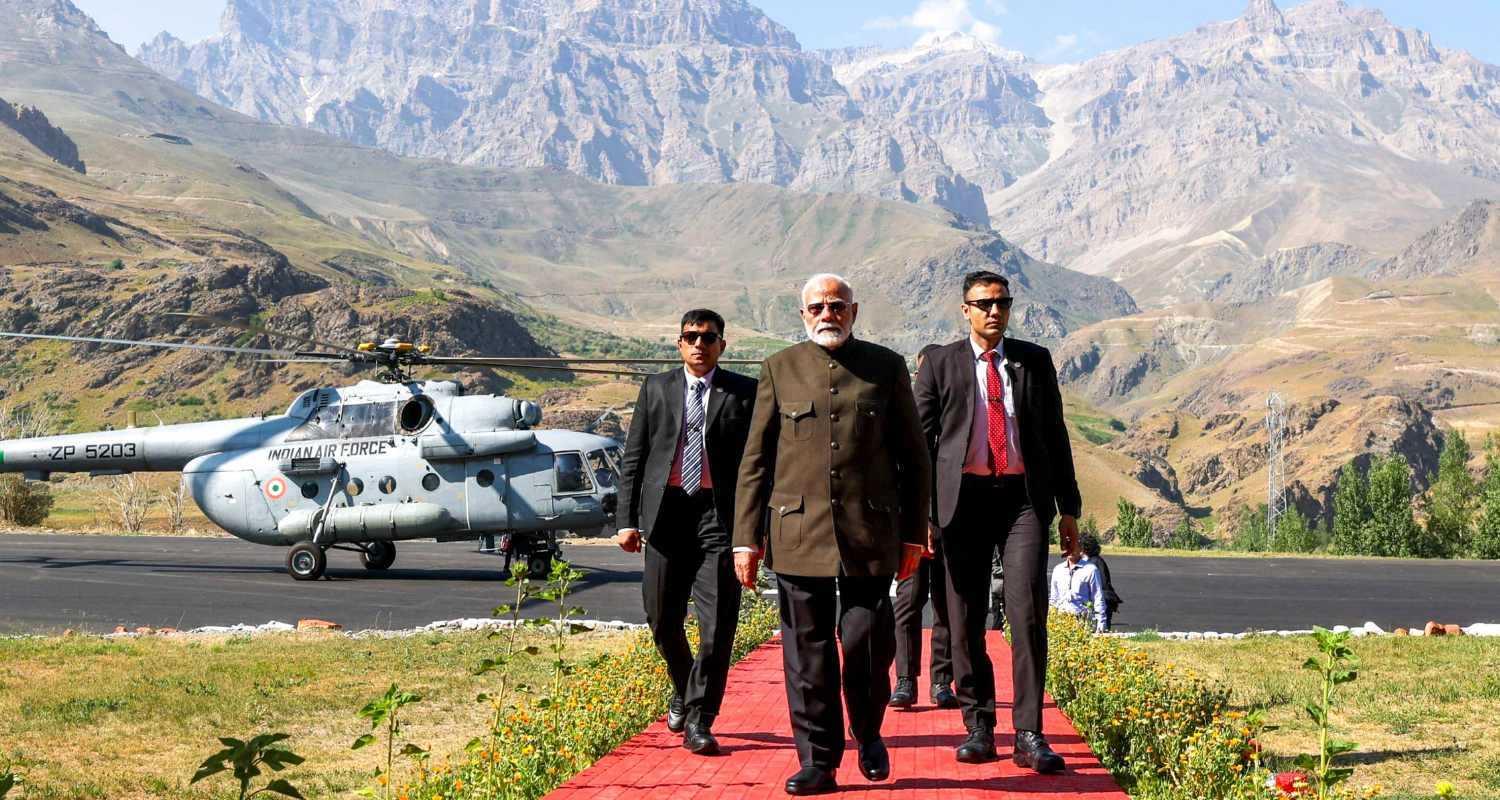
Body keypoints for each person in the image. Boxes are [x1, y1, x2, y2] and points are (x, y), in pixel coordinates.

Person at [734, 274, 930, 796]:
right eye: (818, 306)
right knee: (807, 653)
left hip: (871, 533)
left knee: (867, 642)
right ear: (803, 314)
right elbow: (755, 459)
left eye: (837, 305)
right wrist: (745, 538)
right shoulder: (780, 368)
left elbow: (914, 457)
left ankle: (867, 732)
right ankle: (817, 760)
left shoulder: (885, 367)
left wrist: (914, 533)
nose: (828, 313)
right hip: (796, 532)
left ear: (854, 310)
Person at [914, 270, 1082, 774]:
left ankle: (1030, 733)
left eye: (1002, 303)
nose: (994, 311)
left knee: (1027, 613)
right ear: (964, 309)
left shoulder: (1034, 361)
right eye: (984, 303)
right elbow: (918, 445)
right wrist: (920, 513)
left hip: (1022, 501)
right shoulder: (939, 365)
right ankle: (980, 726)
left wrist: (1068, 507)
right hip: (960, 503)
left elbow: (1055, 434)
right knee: (963, 618)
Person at [614, 308, 758, 756]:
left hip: (719, 516)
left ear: (722, 345)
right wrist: (626, 519)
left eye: (709, 337)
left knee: (717, 626)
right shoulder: (656, 388)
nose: (700, 344)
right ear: (679, 343)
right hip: (665, 514)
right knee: (661, 618)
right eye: (691, 336)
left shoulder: (745, 393)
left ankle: (700, 719)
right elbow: (634, 457)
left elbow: (758, 469)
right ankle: (684, 685)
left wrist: (754, 532)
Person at [890, 344, 958, 711]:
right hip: (914, 529)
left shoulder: (955, 422)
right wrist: (919, 523)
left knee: (946, 607)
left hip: (951, 527)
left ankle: (942, 681)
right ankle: (904, 680)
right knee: (908, 603)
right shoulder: (907, 422)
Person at [1048, 548, 1107, 633]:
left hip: (1082, 620)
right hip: (1061, 620)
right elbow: (1054, 598)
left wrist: (1101, 622)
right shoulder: (1058, 569)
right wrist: (1051, 619)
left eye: (1073, 546)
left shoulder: (1090, 569)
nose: (1070, 549)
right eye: (1067, 546)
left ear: (1080, 550)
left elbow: (1098, 597)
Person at [1080, 532, 1121, 630]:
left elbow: (1100, 587)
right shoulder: (1094, 561)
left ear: (1083, 548)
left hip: (1102, 603)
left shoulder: (1093, 564)